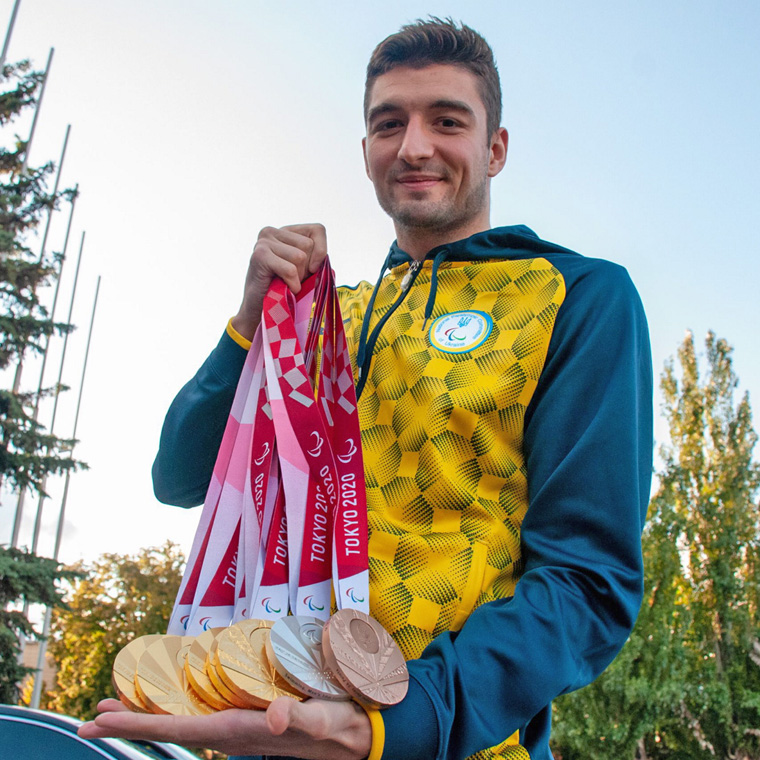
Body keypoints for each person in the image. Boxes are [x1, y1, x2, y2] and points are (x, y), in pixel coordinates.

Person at [80, 17, 653, 760]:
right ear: (366, 152)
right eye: (390, 123)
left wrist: (403, 721)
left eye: (447, 120)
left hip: (446, 740)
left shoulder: (578, 296)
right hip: (271, 728)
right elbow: (181, 477)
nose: (414, 146)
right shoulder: (321, 317)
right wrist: (251, 323)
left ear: (496, 148)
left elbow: (588, 583)